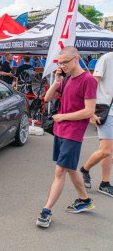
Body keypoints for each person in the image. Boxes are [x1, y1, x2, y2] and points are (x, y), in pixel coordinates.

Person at [36, 46, 97, 228]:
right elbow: (47, 98)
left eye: (65, 62)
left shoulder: (88, 80)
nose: (62, 65)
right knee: (70, 168)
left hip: (73, 131)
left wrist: (63, 116)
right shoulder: (66, 79)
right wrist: (56, 80)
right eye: (60, 62)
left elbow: (89, 111)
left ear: (76, 58)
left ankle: (46, 211)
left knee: (60, 171)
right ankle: (84, 200)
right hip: (60, 130)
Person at [80, 52, 113, 197]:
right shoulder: (107, 58)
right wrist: (90, 111)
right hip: (106, 109)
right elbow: (93, 84)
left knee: (109, 151)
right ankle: (85, 170)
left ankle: (105, 183)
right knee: (106, 150)